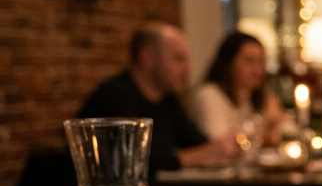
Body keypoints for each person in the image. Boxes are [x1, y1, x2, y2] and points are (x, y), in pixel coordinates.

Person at [78, 22, 238, 171]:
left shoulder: (168, 99)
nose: (187, 69)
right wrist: (192, 157)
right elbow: (130, 162)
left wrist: (221, 148)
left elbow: (198, 142)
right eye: (178, 59)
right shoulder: (113, 96)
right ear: (148, 57)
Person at [188, 32, 284, 146]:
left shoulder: (256, 98)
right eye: (249, 61)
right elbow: (220, 147)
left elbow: (287, 131)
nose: (258, 70)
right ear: (228, 63)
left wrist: (273, 125)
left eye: (261, 61)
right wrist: (265, 128)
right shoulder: (208, 95)